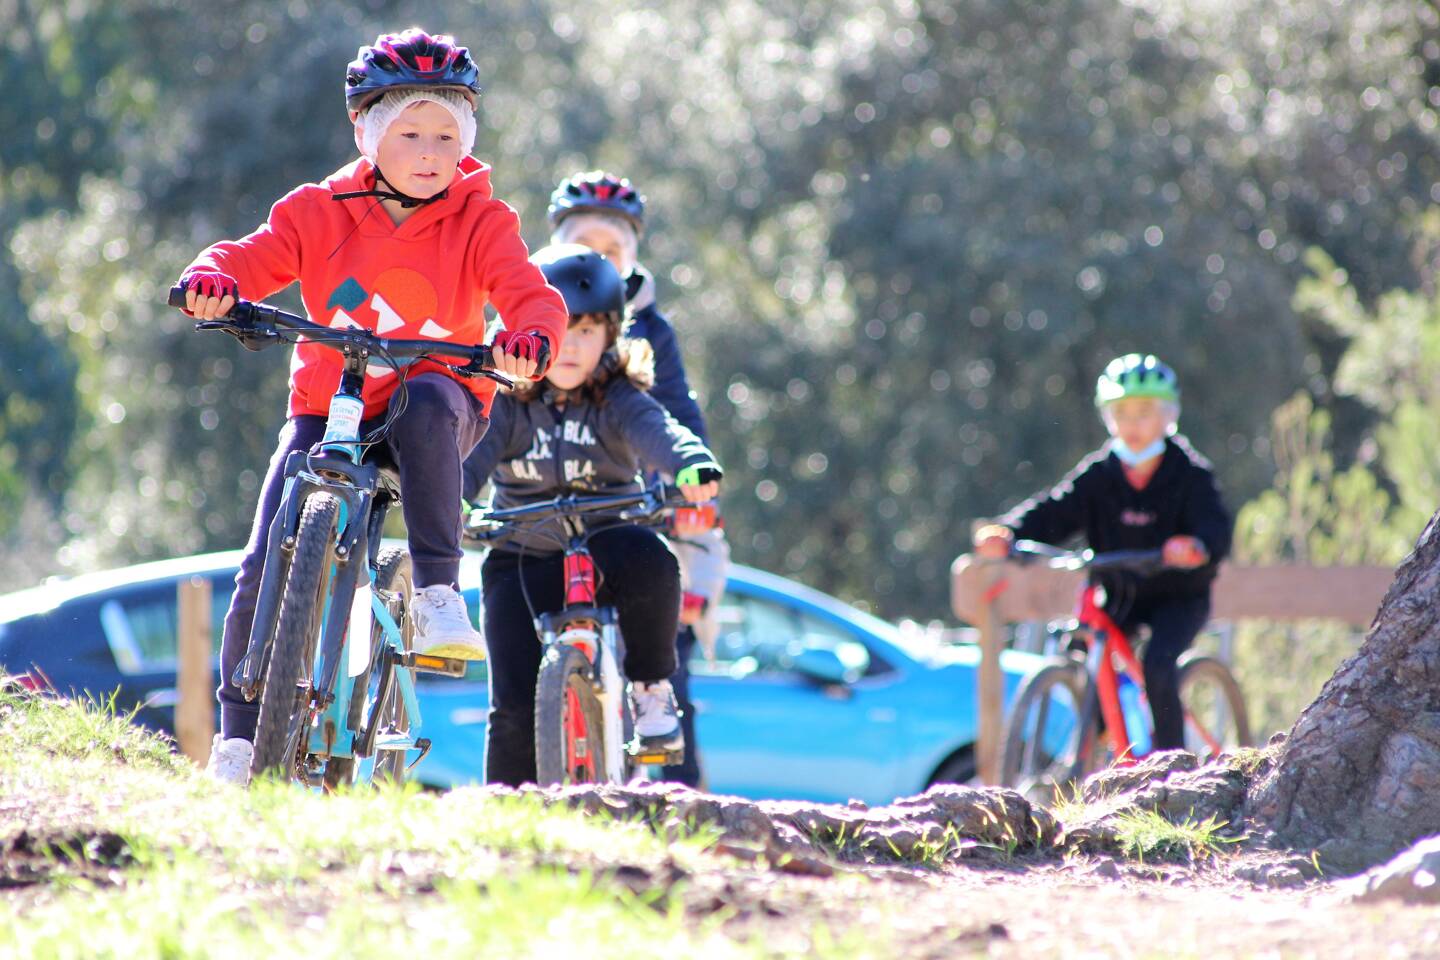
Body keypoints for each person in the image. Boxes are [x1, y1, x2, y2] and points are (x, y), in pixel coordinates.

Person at [177, 28, 568, 785]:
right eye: (410, 132)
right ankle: (237, 739)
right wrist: (210, 279)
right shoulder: (318, 209)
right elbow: (248, 256)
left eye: (447, 135)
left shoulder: (483, 221)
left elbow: (529, 294)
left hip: (438, 400)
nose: (430, 151)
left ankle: (436, 592)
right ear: (365, 133)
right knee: (265, 553)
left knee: (425, 399)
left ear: (468, 140)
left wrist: (528, 339)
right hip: (331, 405)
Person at [461, 244, 723, 788]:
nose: (572, 347)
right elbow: (469, 459)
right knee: (510, 705)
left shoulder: (618, 397)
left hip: (608, 541)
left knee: (654, 560)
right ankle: (506, 812)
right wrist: (450, 500)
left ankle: (650, 691)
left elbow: (662, 432)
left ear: (611, 337)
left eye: (587, 332)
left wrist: (691, 464)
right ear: (529, 330)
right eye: (560, 329)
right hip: (521, 550)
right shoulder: (506, 398)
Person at [547, 170, 728, 786]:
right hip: (556, 501)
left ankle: (678, 797)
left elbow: (677, 413)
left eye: (614, 248)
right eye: (586, 243)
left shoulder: (651, 330)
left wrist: (688, 477)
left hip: (634, 499)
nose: (599, 258)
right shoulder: (536, 314)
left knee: (663, 649)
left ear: (632, 259)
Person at [973, 354, 1232, 751]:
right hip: (1119, 593)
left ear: (1168, 416)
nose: (1132, 424)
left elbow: (1214, 528)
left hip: (1178, 598)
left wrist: (1197, 547)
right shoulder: (1100, 473)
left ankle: (1173, 771)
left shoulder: (1190, 474)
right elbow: (1055, 509)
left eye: (1144, 412)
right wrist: (1009, 532)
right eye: (1121, 412)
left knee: (1159, 666)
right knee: (1084, 657)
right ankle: (1092, 758)